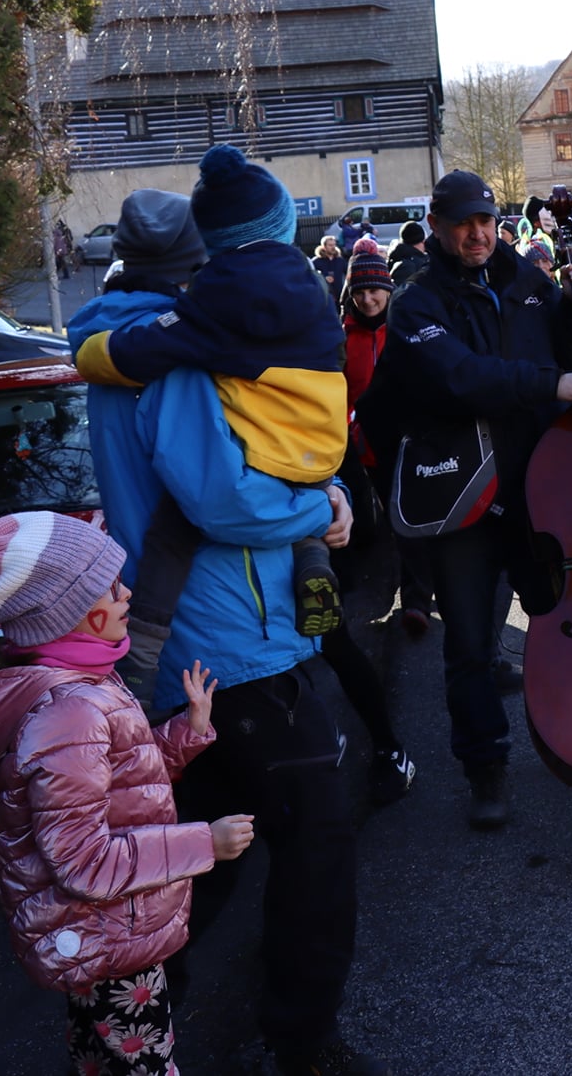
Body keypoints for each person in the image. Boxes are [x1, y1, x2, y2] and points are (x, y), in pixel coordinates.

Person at [65, 187, 381, 1076]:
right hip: (233, 644)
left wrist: (330, 500)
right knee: (317, 837)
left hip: (198, 639)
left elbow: (257, 465)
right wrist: (318, 506)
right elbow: (219, 496)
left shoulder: (134, 338)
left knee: (200, 850)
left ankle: (124, 1026)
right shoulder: (178, 352)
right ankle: (302, 1039)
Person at [0, 508, 252, 1076]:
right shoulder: (71, 711)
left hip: (97, 933)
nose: (127, 593)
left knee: (98, 1063)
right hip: (108, 934)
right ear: (69, 617)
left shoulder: (80, 684)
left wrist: (188, 732)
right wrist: (206, 844)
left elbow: (119, 776)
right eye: (110, 586)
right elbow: (84, 863)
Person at [356, 170, 572, 829]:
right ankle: (486, 768)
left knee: (561, 626)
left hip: (539, 489)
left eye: (485, 221)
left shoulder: (528, 285)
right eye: (462, 223)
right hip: (460, 496)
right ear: (439, 227)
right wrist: (552, 383)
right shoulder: (416, 302)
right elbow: (464, 378)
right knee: (470, 646)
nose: (476, 234)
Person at [74, 146, 349, 644]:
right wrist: (327, 504)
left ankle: (142, 646)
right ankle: (313, 559)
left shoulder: (195, 326)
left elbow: (137, 353)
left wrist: (90, 355)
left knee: (170, 535)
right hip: (230, 627)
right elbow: (229, 503)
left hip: (205, 618)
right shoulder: (310, 286)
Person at [331, 248, 416, 804]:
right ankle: (383, 582)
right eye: (360, 292)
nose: (368, 299)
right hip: (358, 447)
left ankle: (414, 591)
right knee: (373, 518)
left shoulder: (404, 327)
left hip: (406, 438)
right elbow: (336, 394)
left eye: (376, 290)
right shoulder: (343, 337)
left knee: (406, 516)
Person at [313, 235, 348, 308]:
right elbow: (311, 276)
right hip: (324, 296)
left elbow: (349, 274)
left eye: (334, 245)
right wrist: (323, 277)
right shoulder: (316, 261)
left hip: (339, 295)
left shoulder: (340, 260)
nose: (333, 247)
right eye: (330, 245)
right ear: (324, 247)